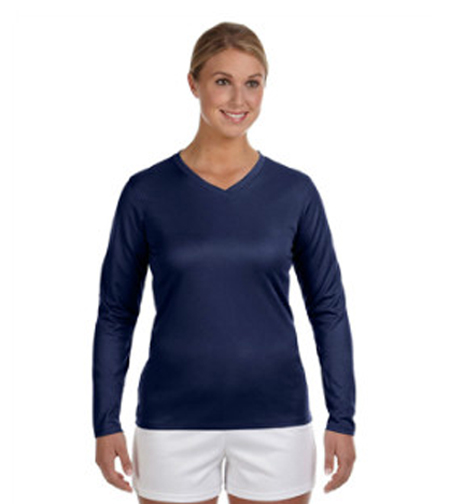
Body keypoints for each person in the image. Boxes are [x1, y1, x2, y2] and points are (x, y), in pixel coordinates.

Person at [93, 21, 357, 504]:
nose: (239, 99)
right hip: (170, 422)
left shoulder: (295, 192)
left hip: (277, 420)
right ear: (193, 83)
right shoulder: (146, 192)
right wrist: (104, 420)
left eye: (252, 83)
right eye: (222, 81)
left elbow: (328, 309)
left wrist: (343, 417)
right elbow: (116, 313)